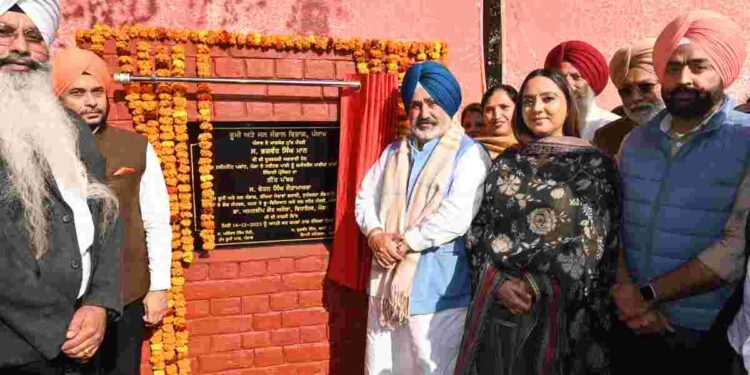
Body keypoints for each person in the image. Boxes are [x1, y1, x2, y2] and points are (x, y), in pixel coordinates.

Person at [455, 68, 620, 375]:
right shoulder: (507, 161)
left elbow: (598, 242)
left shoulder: (594, 165)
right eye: (528, 101)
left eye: (548, 99)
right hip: (502, 309)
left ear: (568, 104)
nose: (537, 108)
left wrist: (537, 284)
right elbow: (479, 228)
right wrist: (498, 282)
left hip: (567, 315)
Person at [614, 10, 750, 374]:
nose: (682, 79)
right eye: (672, 68)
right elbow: (615, 225)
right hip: (630, 324)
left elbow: (733, 250)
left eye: (698, 66)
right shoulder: (635, 141)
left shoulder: (746, 141)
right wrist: (627, 293)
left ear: (724, 71)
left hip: (707, 331)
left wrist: (648, 295)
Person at [0, 1, 124, 373]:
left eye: (34, 36)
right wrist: (61, 328)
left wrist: (99, 302)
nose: (21, 47)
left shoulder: (69, 125)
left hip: (83, 338)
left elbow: (109, 215)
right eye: (4, 33)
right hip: (18, 350)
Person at [355, 60, 491, 374]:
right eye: (415, 105)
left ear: (449, 104)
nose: (424, 113)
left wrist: (404, 244)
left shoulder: (469, 154)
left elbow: (456, 215)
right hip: (386, 285)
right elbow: (365, 198)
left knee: (433, 367)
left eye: (432, 103)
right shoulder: (393, 153)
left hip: (438, 290)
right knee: (384, 365)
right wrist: (376, 235)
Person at [51, 47, 172, 375]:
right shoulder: (41, 150)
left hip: (126, 291)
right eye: (77, 92)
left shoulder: (135, 147)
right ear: (57, 98)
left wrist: (159, 286)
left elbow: (157, 219)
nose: (90, 102)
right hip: (62, 301)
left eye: (97, 92)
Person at [593, 38, 664, 157]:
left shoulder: (691, 127)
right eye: (626, 91)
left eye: (646, 87)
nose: (635, 98)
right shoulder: (607, 138)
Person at [544, 40, 620, 141]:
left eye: (576, 77)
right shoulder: (545, 127)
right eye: (561, 78)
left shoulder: (612, 126)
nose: (568, 85)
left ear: (591, 81)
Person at [474, 85, 518, 159]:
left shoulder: (531, 150)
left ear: (518, 110)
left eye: (504, 107)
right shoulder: (470, 150)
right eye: (489, 110)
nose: (497, 116)